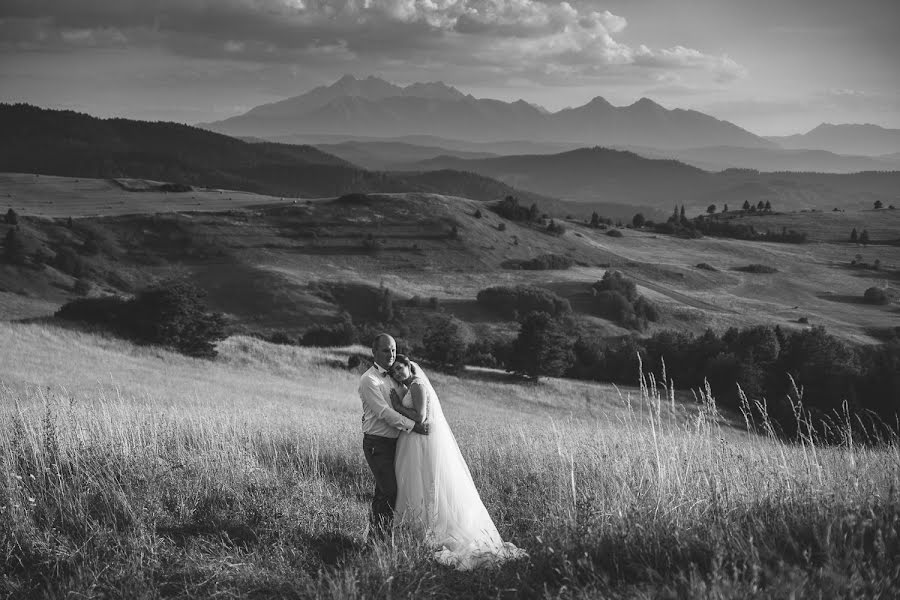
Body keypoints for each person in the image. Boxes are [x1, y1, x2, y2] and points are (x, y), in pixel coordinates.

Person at [388, 354, 527, 570]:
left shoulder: (417, 385)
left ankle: (432, 529)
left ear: (409, 367)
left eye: (400, 368)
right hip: (412, 442)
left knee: (424, 480)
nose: (397, 373)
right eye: (394, 371)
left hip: (419, 442)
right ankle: (418, 527)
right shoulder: (410, 386)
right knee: (417, 483)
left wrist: (397, 405)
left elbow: (420, 417)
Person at [358, 334, 429, 540]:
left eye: (393, 350)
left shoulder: (396, 377)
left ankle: (377, 539)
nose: (391, 354)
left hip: (399, 444)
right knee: (389, 491)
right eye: (386, 350)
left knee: (385, 492)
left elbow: (412, 403)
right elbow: (384, 413)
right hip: (377, 443)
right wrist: (413, 426)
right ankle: (378, 539)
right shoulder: (368, 380)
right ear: (374, 352)